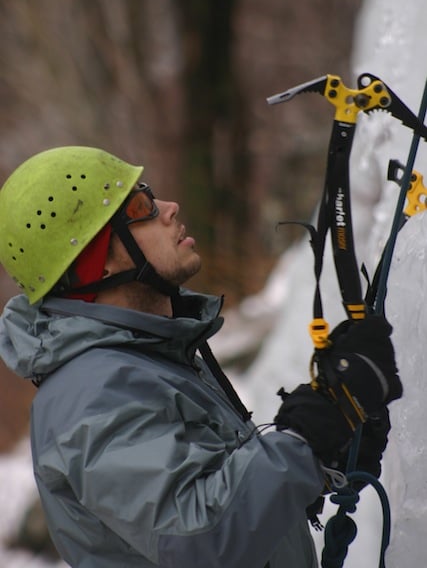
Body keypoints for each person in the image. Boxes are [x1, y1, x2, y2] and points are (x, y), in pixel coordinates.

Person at [0, 146, 402, 568]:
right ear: (95, 262)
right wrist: (310, 434)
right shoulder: (93, 394)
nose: (169, 208)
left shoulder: (143, 360)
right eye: (140, 207)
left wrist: (322, 459)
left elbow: (215, 500)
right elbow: (201, 536)